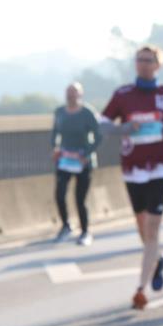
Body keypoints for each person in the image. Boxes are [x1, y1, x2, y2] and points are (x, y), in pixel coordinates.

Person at [99, 44, 163, 310]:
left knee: (152, 228)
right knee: (142, 226)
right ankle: (158, 259)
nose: (143, 64)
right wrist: (124, 128)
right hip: (133, 168)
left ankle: (141, 289)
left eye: (148, 60)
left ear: (158, 65)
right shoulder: (123, 94)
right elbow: (102, 123)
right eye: (139, 59)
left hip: (160, 167)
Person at [52, 82, 101, 246]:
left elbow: (99, 135)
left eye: (74, 92)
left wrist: (86, 153)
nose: (71, 95)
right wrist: (55, 148)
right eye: (69, 92)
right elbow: (55, 133)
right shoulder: (60, 112)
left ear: (80, 95)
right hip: (65, 160)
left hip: (83, 162)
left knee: (80, 199)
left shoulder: (87, 113)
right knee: (60, 194)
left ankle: (85, 231)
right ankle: (66, 225)